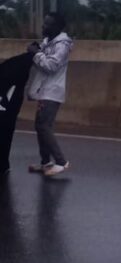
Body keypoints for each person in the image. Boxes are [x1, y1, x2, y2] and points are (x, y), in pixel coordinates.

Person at [27, 11, 73, 177]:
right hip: (44, 90)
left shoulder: (62, 45)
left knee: (44, 126)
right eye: (44, 23)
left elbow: (52, 65)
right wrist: (38, 50)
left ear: (57, 27)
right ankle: (46, 162)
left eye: (47, 24)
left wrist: (36, 54)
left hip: (52, 91)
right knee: (40, 126)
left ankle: (61, 162)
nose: (43, 26)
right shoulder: (48, 42)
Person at [0, 51, 35, 176]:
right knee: (5, 133)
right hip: (7, 110)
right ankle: (3, 164)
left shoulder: (8, 70)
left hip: (6, 109)